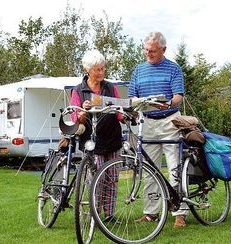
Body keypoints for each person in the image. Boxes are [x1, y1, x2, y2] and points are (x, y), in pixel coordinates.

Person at [128, 31, 187, 228]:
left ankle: (180, 212)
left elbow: (179, 95)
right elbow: (132, 97)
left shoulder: (173, 68)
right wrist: (134, 111)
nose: (149, 54)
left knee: (174, 168)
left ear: (163, 49)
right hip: (148, 123)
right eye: (146, 50)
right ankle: (151, 212)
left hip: (170, 120)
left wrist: (169, 102)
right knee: (149, 170)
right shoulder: (138, 70)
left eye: (152, 51)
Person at [70, 49, 123, 222]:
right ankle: (94, 215)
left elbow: (119, 113)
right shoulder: (78, 91)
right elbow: (75, 119)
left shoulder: (111, 88)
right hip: (91, 142)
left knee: (112, 178)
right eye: (97, 69)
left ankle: (109, 215)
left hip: (113, 139)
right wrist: (83, 111)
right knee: (96, 180)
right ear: (87, 70)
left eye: (103, 68)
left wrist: (128, 114)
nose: (101, 72)